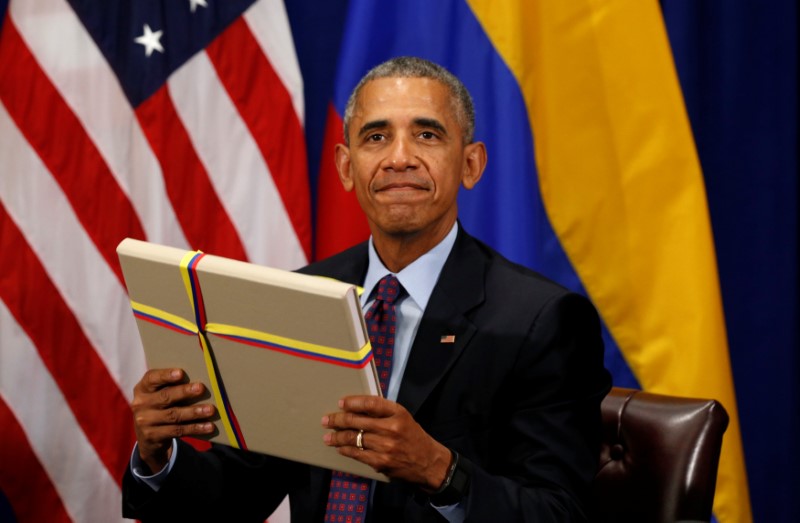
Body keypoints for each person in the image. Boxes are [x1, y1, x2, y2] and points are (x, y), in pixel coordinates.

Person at [122, 56, 611, 522]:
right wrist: (157, 455)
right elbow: (237, 495)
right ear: (345, 166)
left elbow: (561, 512)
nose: (400, 158)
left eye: (427, 134)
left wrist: (439, 470)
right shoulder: (299, 295)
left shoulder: (542, 319)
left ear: (471, 164)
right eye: (376, 137)